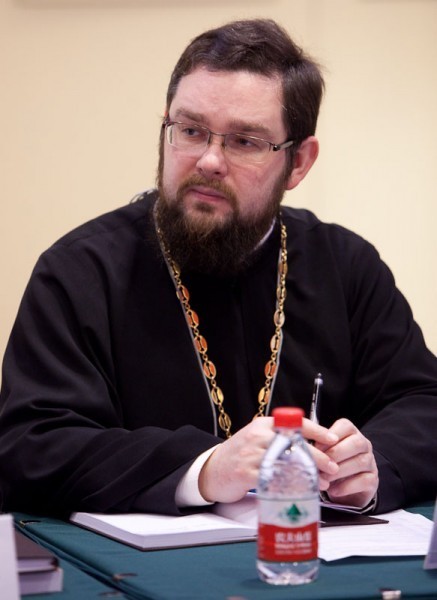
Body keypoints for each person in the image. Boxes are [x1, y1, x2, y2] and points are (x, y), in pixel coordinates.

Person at [0, 18, 436, 518]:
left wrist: (372, 465)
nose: (208, 160)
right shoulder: (80, 272)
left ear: (298, 162)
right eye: (190, 131)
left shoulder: (346, 267)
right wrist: (203, 469)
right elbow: (31, 444)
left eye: (244, 141)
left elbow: (424, 404)